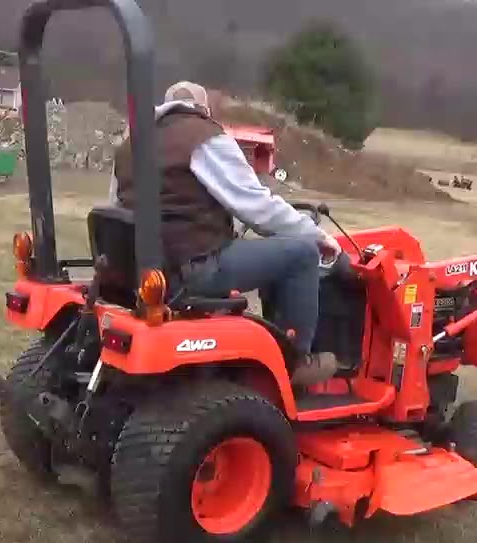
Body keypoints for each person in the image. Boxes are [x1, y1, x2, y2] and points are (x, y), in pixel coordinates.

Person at [108, 81, 340, 386]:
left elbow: (115, 205)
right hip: (192, 268)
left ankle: (269, 345)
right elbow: (257, 206)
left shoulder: (132, 143)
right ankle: (296, 362)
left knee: (274, 253)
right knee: (303, 254)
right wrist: (315, 235)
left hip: (147, 269)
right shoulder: (203, 137)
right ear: (204, 109)